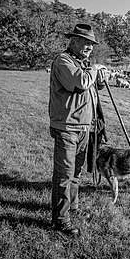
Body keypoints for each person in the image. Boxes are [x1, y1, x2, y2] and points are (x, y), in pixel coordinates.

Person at [48, 23, 107, 236]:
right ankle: (60, 220)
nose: (89, 47)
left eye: (92, 44)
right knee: (64, 174)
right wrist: (94, 70)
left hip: (85, 127)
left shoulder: (83, 63)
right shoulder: (63, 61)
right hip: (67, 127)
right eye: (85, 42)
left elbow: (90, 87)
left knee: (75, 174)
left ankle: (72, 209)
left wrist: (99, 80)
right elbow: (81, 83)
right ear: (73, 41)